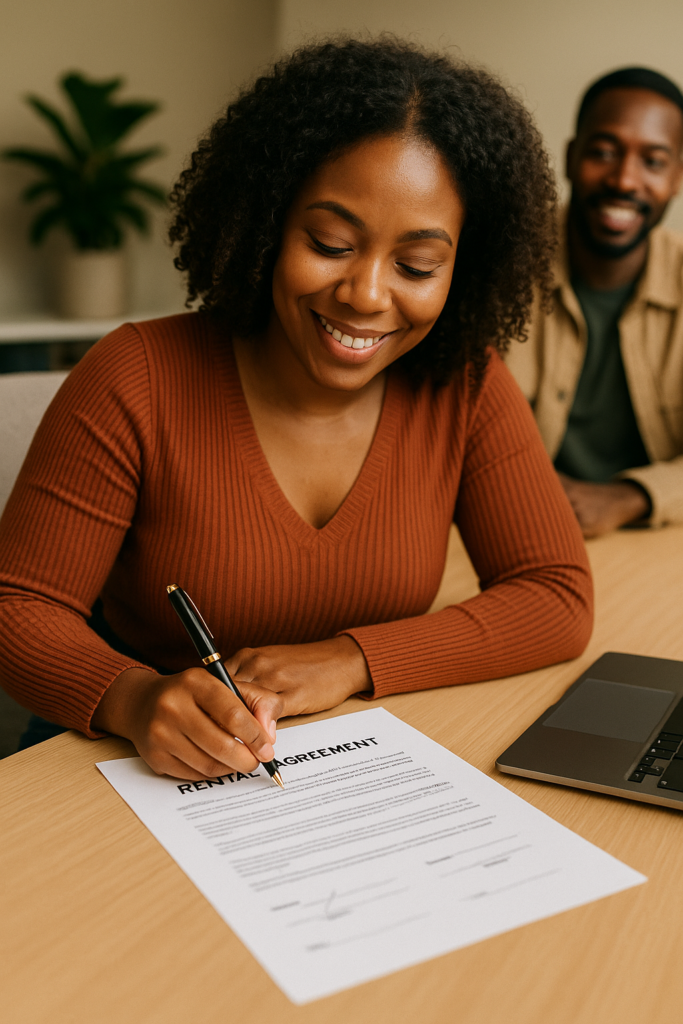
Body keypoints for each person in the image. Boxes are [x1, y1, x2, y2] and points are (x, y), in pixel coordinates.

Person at [0, 39, 592, 780]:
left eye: (416, 266)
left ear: (463, 270)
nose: (366, 295)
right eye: (330, 242)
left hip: (338, 767)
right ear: (267, 221)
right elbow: (18, 605)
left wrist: (350, 659)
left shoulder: (464, 383)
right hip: (123, 768)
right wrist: (134, 698)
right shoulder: (136, 375)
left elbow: (554, 595)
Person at [506, 67, 683, 538]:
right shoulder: (501, 265)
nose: (624, 180)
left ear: (678, 177)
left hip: (654, 542)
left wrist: (631, 498)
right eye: (603, 153)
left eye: (654, 161)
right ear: (569, 157)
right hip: (515, 527)